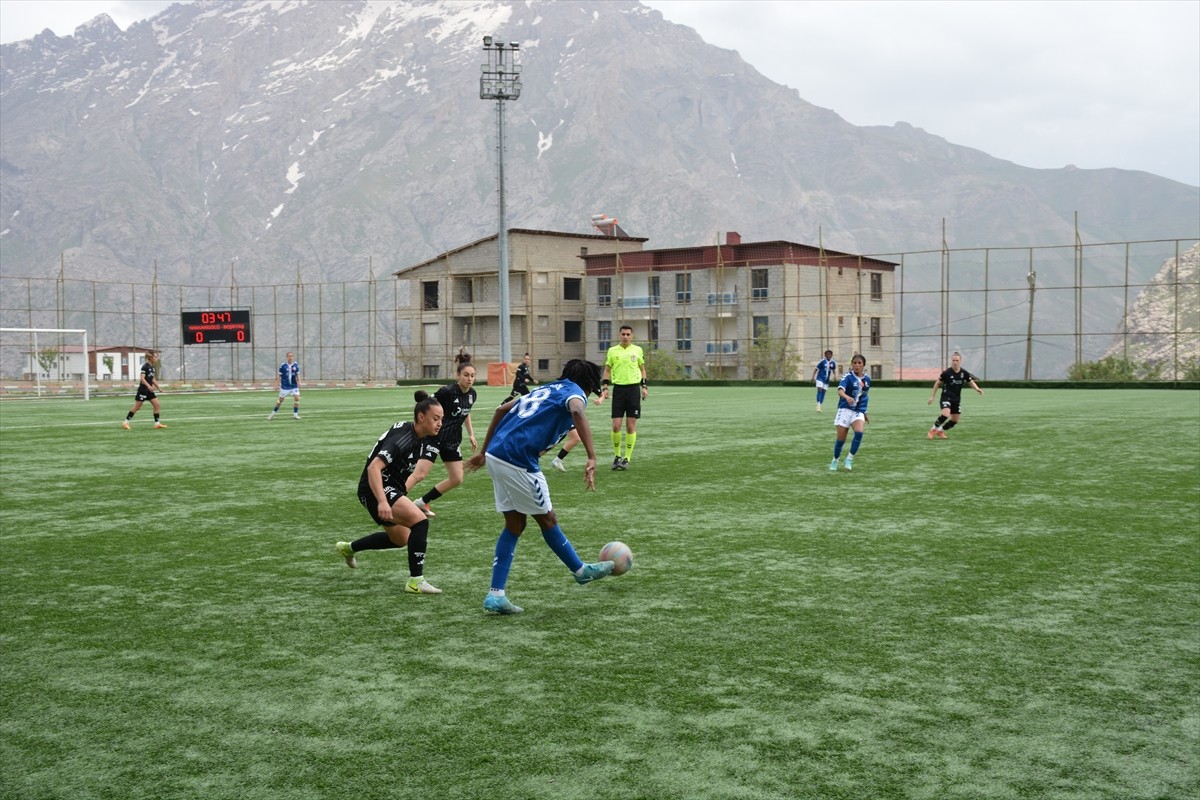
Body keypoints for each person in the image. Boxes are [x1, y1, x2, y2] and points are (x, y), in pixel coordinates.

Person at [465, 359, 615, 615]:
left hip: (496, 456)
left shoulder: (547, 388)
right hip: (517, 459)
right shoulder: (574, 393)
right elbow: (577, 412)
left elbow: (501, 410)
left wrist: (484, 451)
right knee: (547, 519)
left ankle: (496, 595)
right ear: (588, 382)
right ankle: (580, 571)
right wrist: (592, 456)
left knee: (515, 524)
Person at [334, 391, 445, 595]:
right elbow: (373, 468)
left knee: (400, 539)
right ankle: (415, 581)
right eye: (436, 418)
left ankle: (348, 548)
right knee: (420, 522)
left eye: (441, 419)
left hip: (387, 487)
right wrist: (383, 502)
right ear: (421, 417)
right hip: (374, 487)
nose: (439, 423)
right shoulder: (404, 438)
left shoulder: (419, 436)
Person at [408, 360, 479, 517]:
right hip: (435, 437)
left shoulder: (472, 394)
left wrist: (471, 434)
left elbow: (465, 413)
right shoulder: (447, 392)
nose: (469, 378)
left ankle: (421, 502)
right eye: (466, 375)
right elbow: (425, 404)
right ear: (458, 376)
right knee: (419, 474)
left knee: (457, 479)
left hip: (452, 440)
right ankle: (393, 501)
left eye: (472, 375)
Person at [598, 325, 647, 470]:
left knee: (630, 425)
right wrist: (605, 388)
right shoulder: (612, 351)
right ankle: (617, 456)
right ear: (619, 335)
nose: (625, 336)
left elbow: (642, 369)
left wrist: (644, 386)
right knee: (616, 425)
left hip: (633, 390)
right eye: (623, 334)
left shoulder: (637, 350)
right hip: (618, 390)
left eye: (628, 334)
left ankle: (627, 458)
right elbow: (607, 370)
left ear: (632, 336)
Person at [928, 352, 984, 438]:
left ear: (960, 361)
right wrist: (932, 396)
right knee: (946, 414)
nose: (955, 362)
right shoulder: (946, 372)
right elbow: (937, 384)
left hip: (956, 399)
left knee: (955, 420)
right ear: (951, 361)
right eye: (953, 360)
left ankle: (940, 431)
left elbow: (970, 382)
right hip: (946, 397)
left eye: (957, 360)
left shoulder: (964, 373)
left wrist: (977, 389)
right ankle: (933, 430)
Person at [830, 354, 870, 472]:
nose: (857, 365)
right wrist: (847, 397)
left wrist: (865, 412)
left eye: (859, 363)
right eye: (855, 363)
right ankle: (835, 460)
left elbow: (864, 396)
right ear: (852, 364)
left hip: (858, 411)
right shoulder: (847, 377)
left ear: (863, 365)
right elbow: (840, 390)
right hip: (845, 410)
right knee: (841, 440)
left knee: (859, 433)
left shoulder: (867, 380)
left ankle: (849, 459)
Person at [121, 350, 166, 429]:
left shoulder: (152, 368)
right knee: (137, 407)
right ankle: (125, 422)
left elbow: (152, 379)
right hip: (143, 390)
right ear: (150, 358)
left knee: (157, 405)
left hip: (149, 390)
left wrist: (159, 388)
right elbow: (142, 378)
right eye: (155, 357)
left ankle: (157, 424)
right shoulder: (145, 366)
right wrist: (148, 386)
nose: (157, 359)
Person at [268, 351, 301, 419]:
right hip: (285, 386)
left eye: (291, 356)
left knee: (297, 398)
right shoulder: (283, 366)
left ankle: (295, 414)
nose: (290, 357)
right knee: (280, 400)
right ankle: (273, 414)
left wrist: (299, 382)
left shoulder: (295, 365)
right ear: (286, 357)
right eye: (289, 356)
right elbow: (279, 376)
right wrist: (276, 385)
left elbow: (297, 374)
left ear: (293, 357)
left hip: (294, 385)